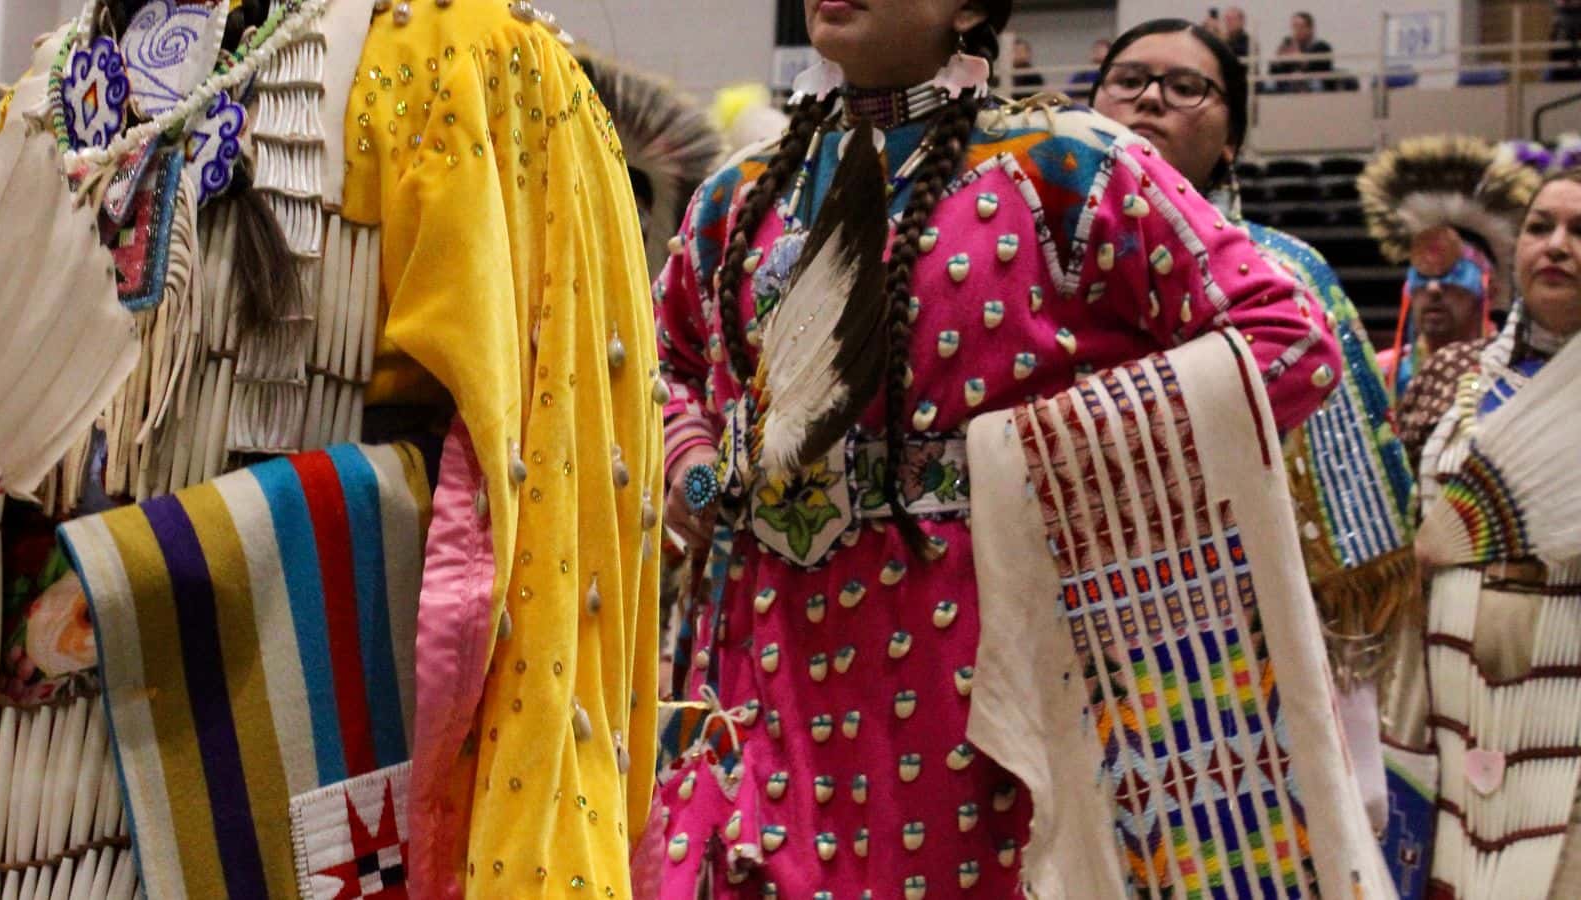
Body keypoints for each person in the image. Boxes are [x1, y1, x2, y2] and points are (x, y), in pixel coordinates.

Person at [651, 0, 1365, 893]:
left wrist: (1033, 466)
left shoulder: (1069, 167)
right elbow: (661, 362)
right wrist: (687, 457)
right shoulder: (739, 195)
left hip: (990, 680)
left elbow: (1289, 343)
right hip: (763, 669)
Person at [0, 0, 664, 896]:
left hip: (290, 797)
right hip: (19, 807)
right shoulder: (46, 88)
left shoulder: (467, 68)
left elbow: (546, 521)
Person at [1091, 16, 1416, 834]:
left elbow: (1355, 535)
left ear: (1231, 138)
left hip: (1234, 647)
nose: (1151, 99)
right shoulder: (1020, 259)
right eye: (1128, 80)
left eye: (1186, 87)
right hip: (1043, 627)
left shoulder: (1286, 275)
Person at [1386, 168, 1581, 899]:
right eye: (1540, 228)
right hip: (1445, 712)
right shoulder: (1452, 376)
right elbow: (1401, 531)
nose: (1556, 246)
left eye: (1579, 232)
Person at [1358, 136, 1540, 468]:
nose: (1436, 289)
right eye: (1423, 278)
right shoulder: (1379, 374)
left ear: (1491, 286)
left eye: (1454, 274)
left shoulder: (1515, 373)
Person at [1269, 11, 1333, 92]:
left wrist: (1299, 57)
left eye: (1300, 27)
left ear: (1310, 29)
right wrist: (1278, 61)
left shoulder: (1322, 46)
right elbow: (1274, 72)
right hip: (1290, 85)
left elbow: (1320, 69)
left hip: (1312, 84)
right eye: (1294, 27)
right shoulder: (1288, 45)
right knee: (1269, 84)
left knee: (1315, 83)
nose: (1297, 31)